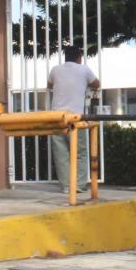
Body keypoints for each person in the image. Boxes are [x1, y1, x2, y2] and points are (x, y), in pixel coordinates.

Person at [48, 46, 100, 195]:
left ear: (65, 57)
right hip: (76, 118)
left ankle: (66, 186)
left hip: (57, 117)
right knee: (80, 152)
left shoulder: (55, 70)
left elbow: (49, 85)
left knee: (61, 153)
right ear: (79, 57)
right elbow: (97, 84)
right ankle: (79, 185)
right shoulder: (84, 70)